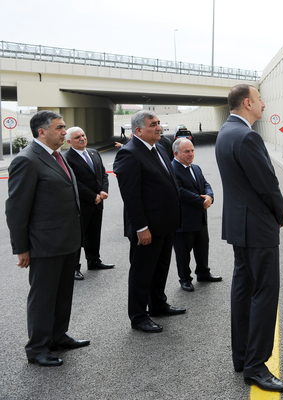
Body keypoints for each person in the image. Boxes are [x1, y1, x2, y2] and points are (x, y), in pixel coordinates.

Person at [215, 84, 283, 393]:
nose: (263, 103)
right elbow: (267, 184)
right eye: (259, 99)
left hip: (240, 227)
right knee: (264, 294)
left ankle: (242, 356)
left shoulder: (226, 132)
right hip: (258, 228)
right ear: (248, 103)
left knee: (243, 291)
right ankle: (256, 366)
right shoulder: (247, 135)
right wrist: (279, 212)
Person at [6, 110, 90, 366]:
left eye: (64, 127)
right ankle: (37, 348)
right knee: (43, 297)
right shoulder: (27, 160)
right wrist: (21, 248)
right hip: (45, 244)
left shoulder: (57, 157)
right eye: (60, 127)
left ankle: (57, 335)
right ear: (41, 132)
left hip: (67, 240)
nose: (65, 132)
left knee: (63, 293)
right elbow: (16, 208)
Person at [113, 111, 185, 334]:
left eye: (158, 123)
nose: (158, 127)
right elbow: (132, 196)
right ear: (138, 131)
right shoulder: (129, 154)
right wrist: (141, 228)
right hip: (147, 228)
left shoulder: (160, 147)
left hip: (166, 224)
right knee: (142, 272)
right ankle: (138, 316)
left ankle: (158, 304)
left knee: (160, 267)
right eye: (152, 125)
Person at [64, 126, 115, 280]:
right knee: (78, 237)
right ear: (68, 141)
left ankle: (94, 260)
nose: (82, 138)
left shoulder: (93, 153)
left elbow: (103, 175)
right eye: (77, 137)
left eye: (83, 135)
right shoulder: (67, 158)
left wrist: (103, 191)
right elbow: (74, 182)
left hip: (98, 202)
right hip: (81, 204)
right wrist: (93, 196)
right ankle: (74, 267)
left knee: (94, 232)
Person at [171, 138, 221, 292]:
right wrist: (201, 201)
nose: (191, 154)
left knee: (202, 247)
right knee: (183, 252)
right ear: (176, 153)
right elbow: (179, 192)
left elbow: (206, 184)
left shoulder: (196, 168)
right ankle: (185, 279)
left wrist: (209, 197)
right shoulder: (171, 169)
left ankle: (203, 273)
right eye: (186, 151)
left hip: (200, 218)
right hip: (183, 220)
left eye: (192, 150)